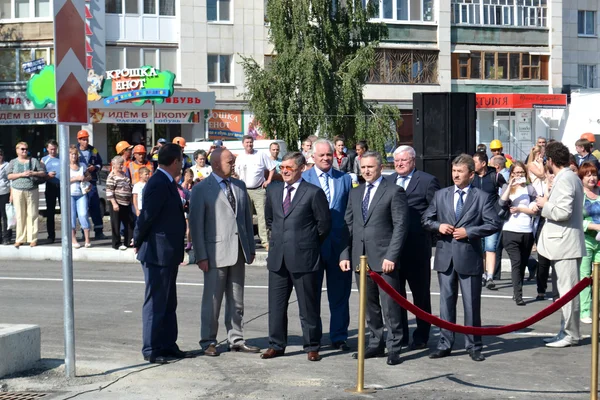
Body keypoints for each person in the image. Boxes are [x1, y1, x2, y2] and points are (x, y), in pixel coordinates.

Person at [422, 154, 500, 362]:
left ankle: (474, 345)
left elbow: (494, 224)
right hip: (445, 257)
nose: (456, 175)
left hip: (469, 257)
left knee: (471, 304)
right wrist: (438, 226)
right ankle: (445, 343)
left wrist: (470, 232)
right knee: (446, 303)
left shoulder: (482, 197)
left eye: (460, 172)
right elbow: (426, 219)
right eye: (454, 171)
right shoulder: (441, 195)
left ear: (471, 175)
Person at [189, 148, 260, 357]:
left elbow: (246, 219)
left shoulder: (239, 185)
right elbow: (196, 225)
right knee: (212, 301)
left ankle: (236, 339)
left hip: (238, 251)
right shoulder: (202, 189)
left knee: (237, 299)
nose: (234, 165)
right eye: (230, 161)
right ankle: (208, 341)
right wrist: (200, 255)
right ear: (217, 164)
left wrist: (250, 247)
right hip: (214, 254)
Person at [261, 152, 331, 362]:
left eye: (289, 168)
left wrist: (306, 244)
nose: (284, 172)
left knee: (308, 305)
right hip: (277, 258)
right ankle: (276, 344)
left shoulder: (313, 192)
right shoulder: (273, 190)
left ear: (301, 168)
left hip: (304, 257)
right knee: (276, 306)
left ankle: (312, 345)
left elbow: (324, 226)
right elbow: (270, 220)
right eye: (282, 168)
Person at [340, 151, 408, 366]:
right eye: (363, 168)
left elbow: (400, 226)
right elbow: (348, 226)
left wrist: (392, 256)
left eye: (370, 167)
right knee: (369, 306)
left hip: (385, 260)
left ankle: (394, 346)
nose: (366, 171)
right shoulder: (356, 193)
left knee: (390, 306)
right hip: (361, 260)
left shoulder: (394, 191)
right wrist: (344, 254)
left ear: (380, 167)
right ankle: (375, 343)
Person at [134, 143, 192, 364]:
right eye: (181, 161)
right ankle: (152, 348)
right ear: (175, 162)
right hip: (157, 252)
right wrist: (137, 240)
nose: (183, 165)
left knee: (168, 302)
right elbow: (146, 216)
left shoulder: (167, 182)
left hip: (168, 252)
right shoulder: (158, 183)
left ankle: (168, 344)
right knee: (156, 302)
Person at [302, 139, 353, 351]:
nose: (325, 158)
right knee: (310, 296)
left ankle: (339, 337)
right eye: (321, 155)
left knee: (340, 294)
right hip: (312, 246)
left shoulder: (345, 180)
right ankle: (313, 340)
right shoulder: (303, 179)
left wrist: (347, 250)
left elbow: (350, 215)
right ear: (312, 157)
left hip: (339, 246)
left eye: (329, 155)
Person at [389, 145, 440, 350]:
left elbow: (434, 211)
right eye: (396, 161)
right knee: (396, 295)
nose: (400, 164)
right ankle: (400, 335)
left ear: (413, 161)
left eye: (404, 160)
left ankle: (421, 335)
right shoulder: (388, 181)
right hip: (394, 249)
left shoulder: (427, 181)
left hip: (417, 247)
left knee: (420, 295)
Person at [536, 141, 586, 348]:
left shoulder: (566, 178)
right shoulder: (567, 177)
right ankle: (565, 331)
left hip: (565, 244)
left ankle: (571, 334)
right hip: (564, 243)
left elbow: (563, 213)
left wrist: (544, 205)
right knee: (566, 291)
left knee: (568, 292)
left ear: (550, 160)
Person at [498, 161, 539, 306]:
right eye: (516, 173)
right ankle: (518, 295)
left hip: (527, 231)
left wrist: (522, 209)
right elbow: (502, 203)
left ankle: (517, 290)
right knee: (516, 262)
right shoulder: (507, 187)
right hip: (510, 230)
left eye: (521, 173)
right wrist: (510, 185)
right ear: (511, 174)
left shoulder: (530, 189)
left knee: (522, 263)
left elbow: (535, 210)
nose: (519, 175)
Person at [234, 135, 276, 250]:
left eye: (251, 142)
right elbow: (236, 173)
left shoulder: (261, 155)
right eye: (247, 142)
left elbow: (272, 168)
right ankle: (247, 241)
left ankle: (265, 242)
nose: (249, 144)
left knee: (262, 216)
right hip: (244, 191)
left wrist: (268, 180)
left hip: (259, 190)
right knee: (246, 217)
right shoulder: (240, 158)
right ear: (243, 144)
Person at [472, 152, 504, 289]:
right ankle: (483, 274)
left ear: (483, 163)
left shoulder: (495, 176)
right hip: (475, 218)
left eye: (474, 162)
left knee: (490, 247)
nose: (472, 165)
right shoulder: (471, 177)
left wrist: (501, 208)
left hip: (491, 218)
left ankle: (490, 277)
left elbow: (508, 190)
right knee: (480, 248)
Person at [7, 141, 46, 248]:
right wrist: (21, 174)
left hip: (32, 190)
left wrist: (34, 173)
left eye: (26, 149)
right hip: (17, 190)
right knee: (20, 215)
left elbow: (43, 172)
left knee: (33, 214)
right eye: (22, 149)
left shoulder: (33, 161)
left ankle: (32, 238)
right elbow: (9, 176)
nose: (25, 151)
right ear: (17, 150)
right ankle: (20, 238)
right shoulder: (13, 162)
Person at [578, 162, 600, 325]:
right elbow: (576, 220)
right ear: (582, 178)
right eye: (588, 175)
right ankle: (585, 310)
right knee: (585, 277)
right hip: (585, 240)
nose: (592, 178)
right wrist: (594, 226)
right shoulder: (579, 196)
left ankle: (597, 308)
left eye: (594, 174)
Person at [77, 130, 105, 239]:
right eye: (83, 139)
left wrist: (95, 168)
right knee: (83, 208)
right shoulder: (75, 150)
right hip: (79, 182)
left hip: (91, 181)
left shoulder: (93, 150)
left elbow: (100, 163)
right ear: (79, 140)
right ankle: (84, 232)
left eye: (86, 139)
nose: (86, 141)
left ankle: (99, 231)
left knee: (95, 206)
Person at [106, 156, 133, 251]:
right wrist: (114, 203)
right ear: (114, 165)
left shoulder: (124, 174)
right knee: (116, 223)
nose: (121, 166)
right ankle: (116, 243)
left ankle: (128, 241)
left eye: (122, 164)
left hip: (126, 202)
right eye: (119, 164)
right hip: (117, 202)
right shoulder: (111, 176)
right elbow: (109, 191)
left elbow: (129, 186)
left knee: (129, 223)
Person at [68, 145, 92, 249]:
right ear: (68, 156)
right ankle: (73, 239)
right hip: (70, 194)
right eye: (72, 154)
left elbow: (89, 176)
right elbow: (63, 180)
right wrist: (75, 178)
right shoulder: (66, 166)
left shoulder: (82, 165)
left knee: (83, 214)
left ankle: (87, 239)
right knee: (72, 217)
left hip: (81, 193)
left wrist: (85, 178)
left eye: (75, 154)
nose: (74, 156)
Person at [42, 140, 60, 244]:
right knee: (50, 212)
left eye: (54, 149)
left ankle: (68, 234)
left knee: (66, 211)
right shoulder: (44, 160)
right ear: (47, 149)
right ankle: (51, 236)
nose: (53, 151)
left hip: (62, 186)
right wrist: (47, 176)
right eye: (51, 149)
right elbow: (41, 175)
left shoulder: (62, 157)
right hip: (50, 186)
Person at [0, 149, 12, 245]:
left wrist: (11, 194)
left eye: (0, 154)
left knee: (5, 215)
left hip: (5, 192)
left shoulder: (7, 165)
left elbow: (10, 180)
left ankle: (6, 237)